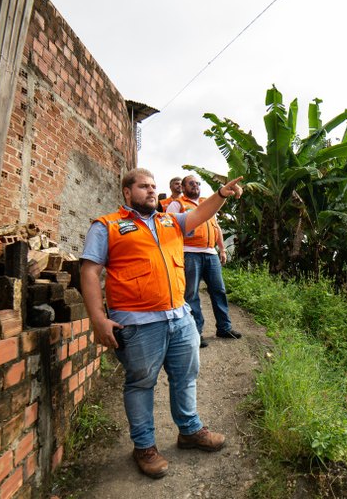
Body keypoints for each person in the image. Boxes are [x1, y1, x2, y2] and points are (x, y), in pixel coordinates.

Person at [80, 168, 242, 479]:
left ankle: (190, 430)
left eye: (154, 186)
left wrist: (220, 195)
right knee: (141, 383)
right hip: (138, 324)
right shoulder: (108, 226)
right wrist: (98, 319)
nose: (151, 191)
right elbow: (89, 272)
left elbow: (202, 214)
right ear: (128, 193)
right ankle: (144, 447)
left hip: (180, 317)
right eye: (144, 187)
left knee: (186, 376)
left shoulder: (170, 220)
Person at [166, 175, 240, 347]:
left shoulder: (208, 202)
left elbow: (217, 227)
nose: (196, 186)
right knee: (191, 294)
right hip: (189, 253)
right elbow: (169, 229)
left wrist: (221, 249)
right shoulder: (177, 204)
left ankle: (224, 327)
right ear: (183, 187)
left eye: (198, 183)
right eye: (191, 183)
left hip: (210, 253)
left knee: (219, 290)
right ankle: (196, 333)